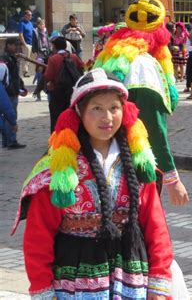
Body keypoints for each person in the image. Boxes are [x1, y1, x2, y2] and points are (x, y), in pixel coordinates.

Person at [12, 68, 174, 298]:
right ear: (79, 112)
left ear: (125, 111)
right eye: (96, 108)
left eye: (114, 108)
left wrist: (159, 282)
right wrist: (43, 291)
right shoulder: (57, 170)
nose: (106, 118)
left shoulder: (139, 164)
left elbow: (156, 227)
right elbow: (38, 238)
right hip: (74, 281)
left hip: (130, 277)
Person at [94, 0, 189, 205]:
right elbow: (153, 129)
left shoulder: (111, 57)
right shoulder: (143, 66)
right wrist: (173, 179)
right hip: (132, 164)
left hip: (103, 159)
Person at [44, 36, 84, 132]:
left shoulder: (53, 59)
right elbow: (82, 66)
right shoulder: (74, 57)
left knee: (56, 118)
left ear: (55, 47)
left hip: (57, 92)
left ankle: (58, 139)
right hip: (72, 92)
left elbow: (48, 76)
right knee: (73, 116)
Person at [0, 37, 26, 149]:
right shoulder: (5, 58)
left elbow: (15, 76)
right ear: (9, 45)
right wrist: (12, 88)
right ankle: (11, 140)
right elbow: (7, 77)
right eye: (15, 45)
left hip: (13, 90)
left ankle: (7, 141)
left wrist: (21, 85)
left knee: (8, 116)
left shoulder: (12, 58)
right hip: (8, 92)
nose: (17, 48)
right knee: (10, 115)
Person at [18, 9, 34, 77]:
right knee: (26, 58)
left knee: (29, 58)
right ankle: (25, 72)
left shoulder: (30, 23)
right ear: (25, 15)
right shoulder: (22, 23)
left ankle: (26, 71)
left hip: (31, 43)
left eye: (31, 15)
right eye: (29, 15)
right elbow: (20, 35)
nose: (30, 16)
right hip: (25, 44)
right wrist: (24, 44)